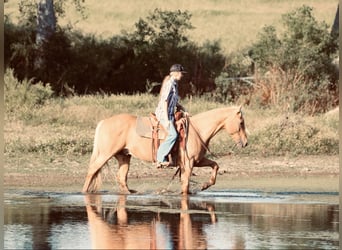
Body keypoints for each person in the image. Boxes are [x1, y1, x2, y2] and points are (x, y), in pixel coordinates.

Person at [155, 64, 187, 168]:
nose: (182, 75)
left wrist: (184, 110)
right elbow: (165, 101)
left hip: (170, 113)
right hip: (164, 114)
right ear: (175, 73)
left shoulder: (175, 84)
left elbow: (174, 102)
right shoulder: (169, 84)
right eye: (181, 73)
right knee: (173, 134)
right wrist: (166, 119)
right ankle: (160, 158)